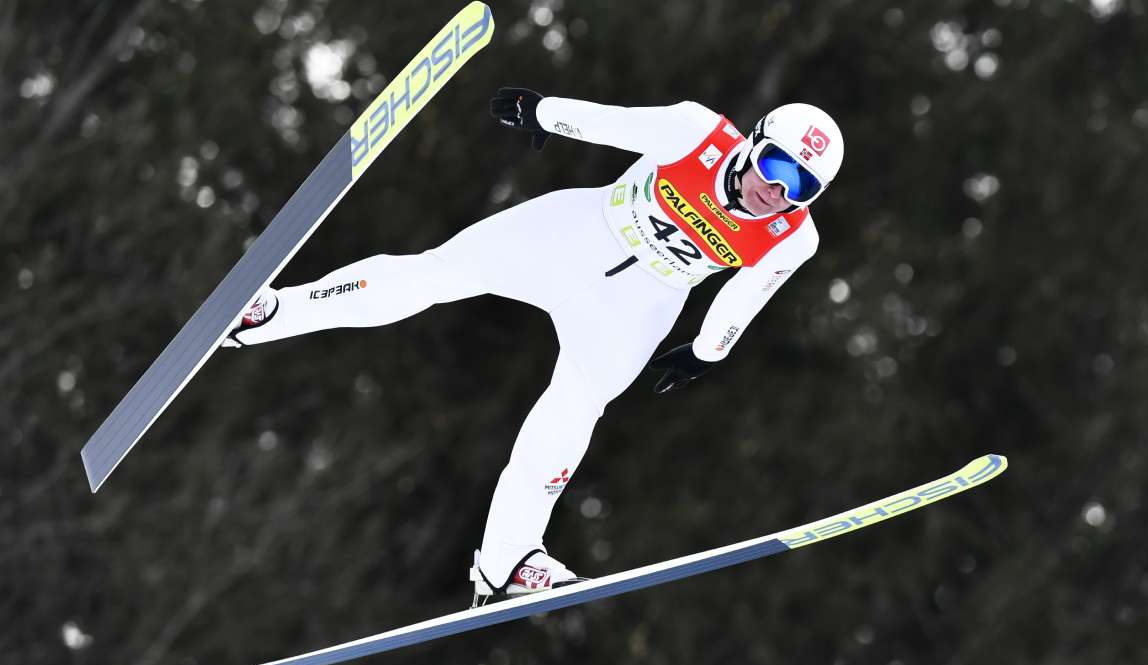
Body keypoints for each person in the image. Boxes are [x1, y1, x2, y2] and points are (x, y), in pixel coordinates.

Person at [223, 88, 845, 607]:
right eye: (776, 167)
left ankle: (509, 560)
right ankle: (271, 311)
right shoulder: (695, 133)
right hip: (575, 233)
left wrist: (709, 351)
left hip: (639, 306)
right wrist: (542, 111)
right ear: (752, 144)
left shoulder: (792, 236)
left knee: (576, 409)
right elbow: (613, 125)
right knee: (436, 274)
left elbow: (747, 294)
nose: (779, 191)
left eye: (802, 187)